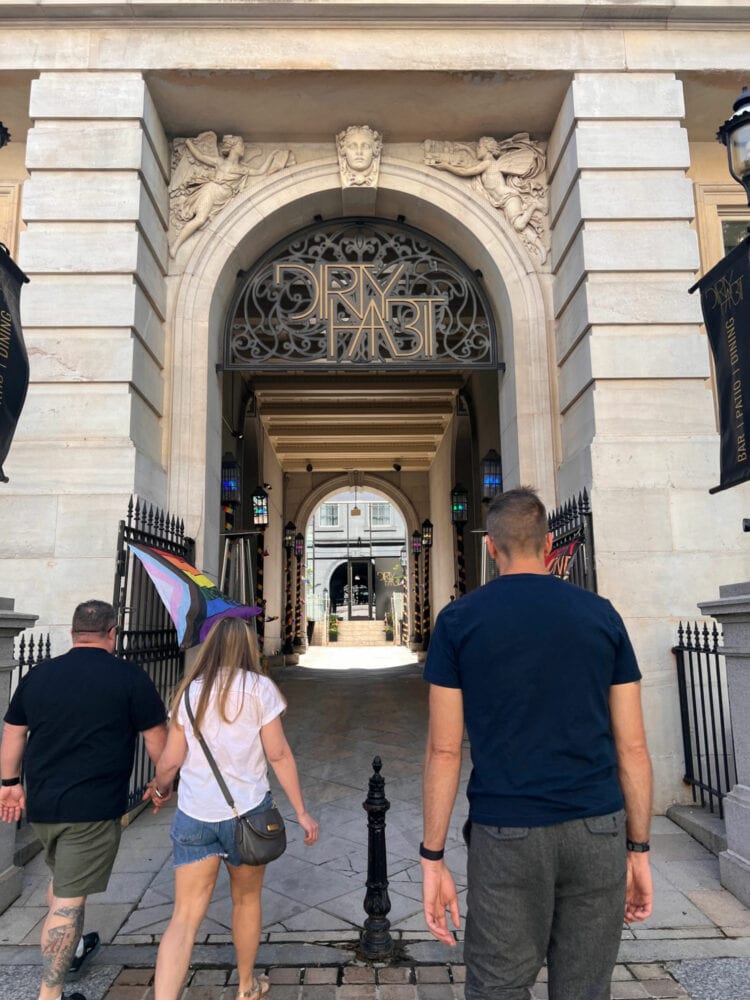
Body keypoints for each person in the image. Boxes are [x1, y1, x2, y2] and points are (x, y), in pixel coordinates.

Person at [420, 487, 654, 1000]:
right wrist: (638, 849)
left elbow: (444, 751)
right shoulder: (602, 616)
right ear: (549, 543)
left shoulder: (459, 622)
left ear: (490, 548)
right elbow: (632, 747)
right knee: (585, 988)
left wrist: (431, 857)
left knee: (498, 986)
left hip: (507, 833)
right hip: (597, 828)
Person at [0, 600, 170, 1000]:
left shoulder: (41, 675)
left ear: (75, 632)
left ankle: (73, 949)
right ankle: (50, 993)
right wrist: (162, 784)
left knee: (63, 882)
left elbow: (13, 731)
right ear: (112, 632)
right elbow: (156, 739)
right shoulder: (129, 677)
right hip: (91, 808)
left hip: (43, 804)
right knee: (68, 901)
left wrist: (9, 782)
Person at [148, 616, 319, 1000]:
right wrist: (301, 811)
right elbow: (278, 754)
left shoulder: (189, 692)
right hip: (249, 814)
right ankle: (245, 986)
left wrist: (159, 790)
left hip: (196, 814)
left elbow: (170, 762)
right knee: (246, 901)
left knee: (184, 917)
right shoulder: (260, 689)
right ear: (247, 646)